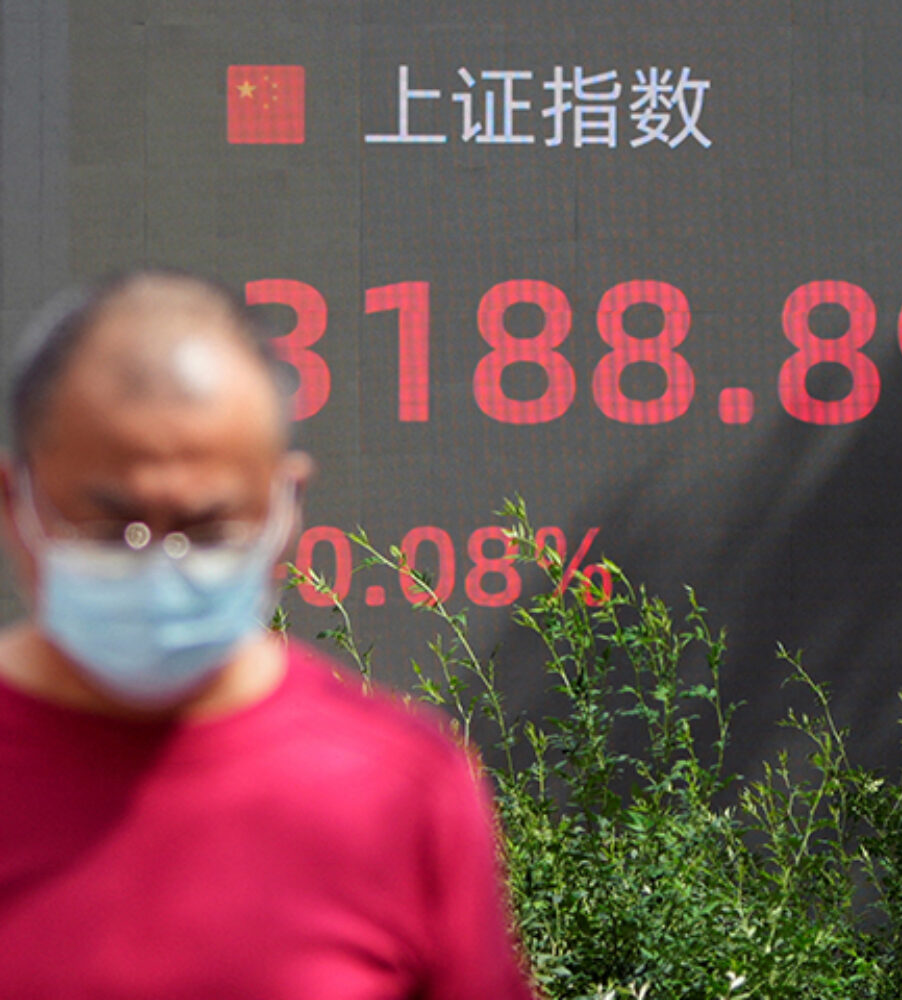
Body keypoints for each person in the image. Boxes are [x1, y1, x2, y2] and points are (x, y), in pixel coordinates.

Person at [0, 269, 541, 999]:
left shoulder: (404, 791)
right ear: (17, 502)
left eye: (207, 528)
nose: (160, 562)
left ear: (286, 508)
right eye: (109, 526)